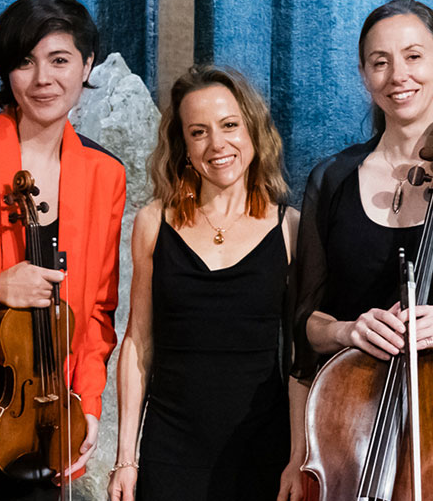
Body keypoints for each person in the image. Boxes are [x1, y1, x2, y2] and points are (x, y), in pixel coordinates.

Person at [290, 0, 433, 499]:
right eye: (380, 61)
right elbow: (304, 319)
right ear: (364, 74)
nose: (399, 74)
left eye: (414, 56)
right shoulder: (331, 179)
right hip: (349, 430)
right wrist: (348, 330)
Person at [0, 0, 125, 499]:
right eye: (25, 62)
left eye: (60, 60)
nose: (43, 80)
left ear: (86, 64)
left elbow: (97, 311)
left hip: (48, 410)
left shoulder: (105, 173)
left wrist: (86, 403)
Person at [106, 65, 304, 501]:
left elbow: (297, 355)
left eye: (230, 125)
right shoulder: (153, 223)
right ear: (183, 145)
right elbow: (138, 343)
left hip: (262, 450)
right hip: (170, 449)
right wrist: (126, 458)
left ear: (253, 129)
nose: (218, 145)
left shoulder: (289, 228)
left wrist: (298, 456)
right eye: (198, 132)